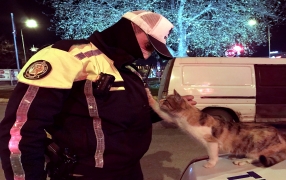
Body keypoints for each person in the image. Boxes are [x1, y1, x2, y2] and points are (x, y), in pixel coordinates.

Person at [0, 10, 196, 180]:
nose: (149, 54)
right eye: (149, 45)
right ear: (132, 29)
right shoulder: (66, 56)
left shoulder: (128, 70)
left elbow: (125, 115)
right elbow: (20, 129)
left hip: (130, 172)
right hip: (85, 175)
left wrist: (171, 109)